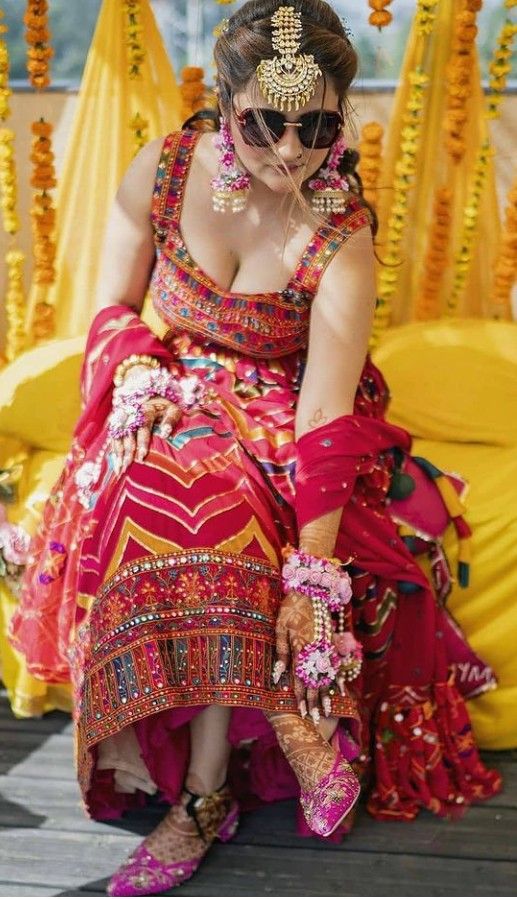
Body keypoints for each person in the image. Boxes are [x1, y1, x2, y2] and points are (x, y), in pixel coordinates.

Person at [10, 1, 501, 896]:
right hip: (171, 385)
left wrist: (312, 580)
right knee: (152, 485)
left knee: (230, 509)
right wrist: (137, 377)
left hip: (287, 402)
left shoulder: (340, 233)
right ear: (221, 101)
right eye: (264, 123)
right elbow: (112, 314)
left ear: (341, 118)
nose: (289, 151)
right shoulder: (160, 171)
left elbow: (324, 409)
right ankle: (246, 738)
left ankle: (205, 793)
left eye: (316, 126)